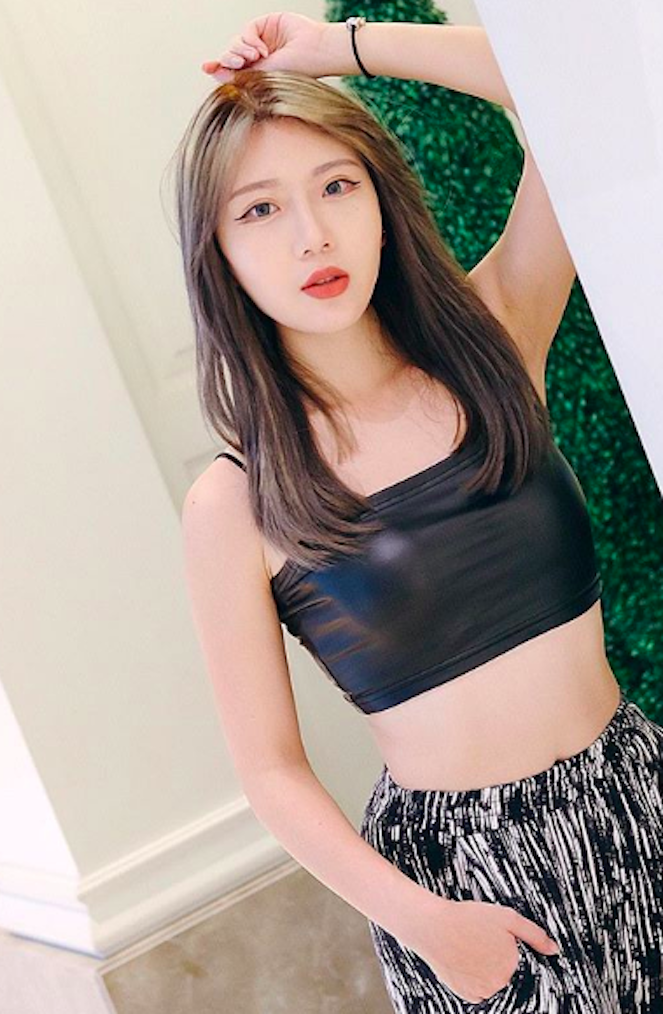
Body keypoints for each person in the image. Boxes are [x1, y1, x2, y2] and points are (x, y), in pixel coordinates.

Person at [177, 12, 663, 1012]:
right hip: (469, 887)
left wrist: (341, 49)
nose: (311, 234)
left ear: (381, 201)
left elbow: (570, 92)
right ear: (217, 253)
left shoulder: (494, 338)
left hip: (635, 792)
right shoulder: (236, 500)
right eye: (259, 210)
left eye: (336, 186)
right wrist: (426, 923)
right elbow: (270, 772)